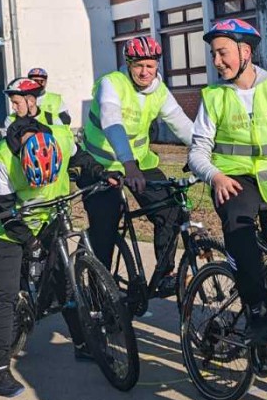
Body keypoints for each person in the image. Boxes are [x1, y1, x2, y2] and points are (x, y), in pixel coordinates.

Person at [187, 18, 267, 374]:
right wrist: (216, 176)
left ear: (244, 52)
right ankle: (257, 314)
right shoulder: (214, 97)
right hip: (236, 183)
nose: (217, 61)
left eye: (222, 52)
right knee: (241, 236)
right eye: (213, 54)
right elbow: (197, 153)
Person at [0, 78, 107, 397]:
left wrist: (105, 174)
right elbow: (7, 212)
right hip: (10, 229)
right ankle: (0, 369)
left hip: (49, 220)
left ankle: (81, 343)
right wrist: (30, 242)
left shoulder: (62, 139)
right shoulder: (3, 160)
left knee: (65, 282)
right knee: (7, 295)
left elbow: (82, 161)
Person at [81, 34, 195, 295]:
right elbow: (112, 120)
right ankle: (100, 293)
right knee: (105, 226)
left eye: (151, 66)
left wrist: (206, 151)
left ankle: (165, 273)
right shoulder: (112, 83)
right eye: (139, 66)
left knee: (171, 210)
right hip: (101, 165)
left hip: (140, 161)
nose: (145, 72)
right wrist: (127, 165)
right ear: (128, 64)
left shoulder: (159, 91)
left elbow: (181, 123)